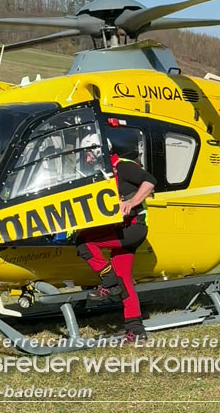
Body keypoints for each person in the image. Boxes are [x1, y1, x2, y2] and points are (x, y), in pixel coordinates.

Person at [76, 131, 156, 340]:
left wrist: (132, 203)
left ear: (98, 151)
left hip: (133, 228)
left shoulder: (123, 167)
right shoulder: (103, 172)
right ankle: (136, 329)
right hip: (123, 229)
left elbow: (149, 182)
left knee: (84, 242)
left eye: (88, 153)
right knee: (125, 279)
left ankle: (109, 281)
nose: (86, 158)